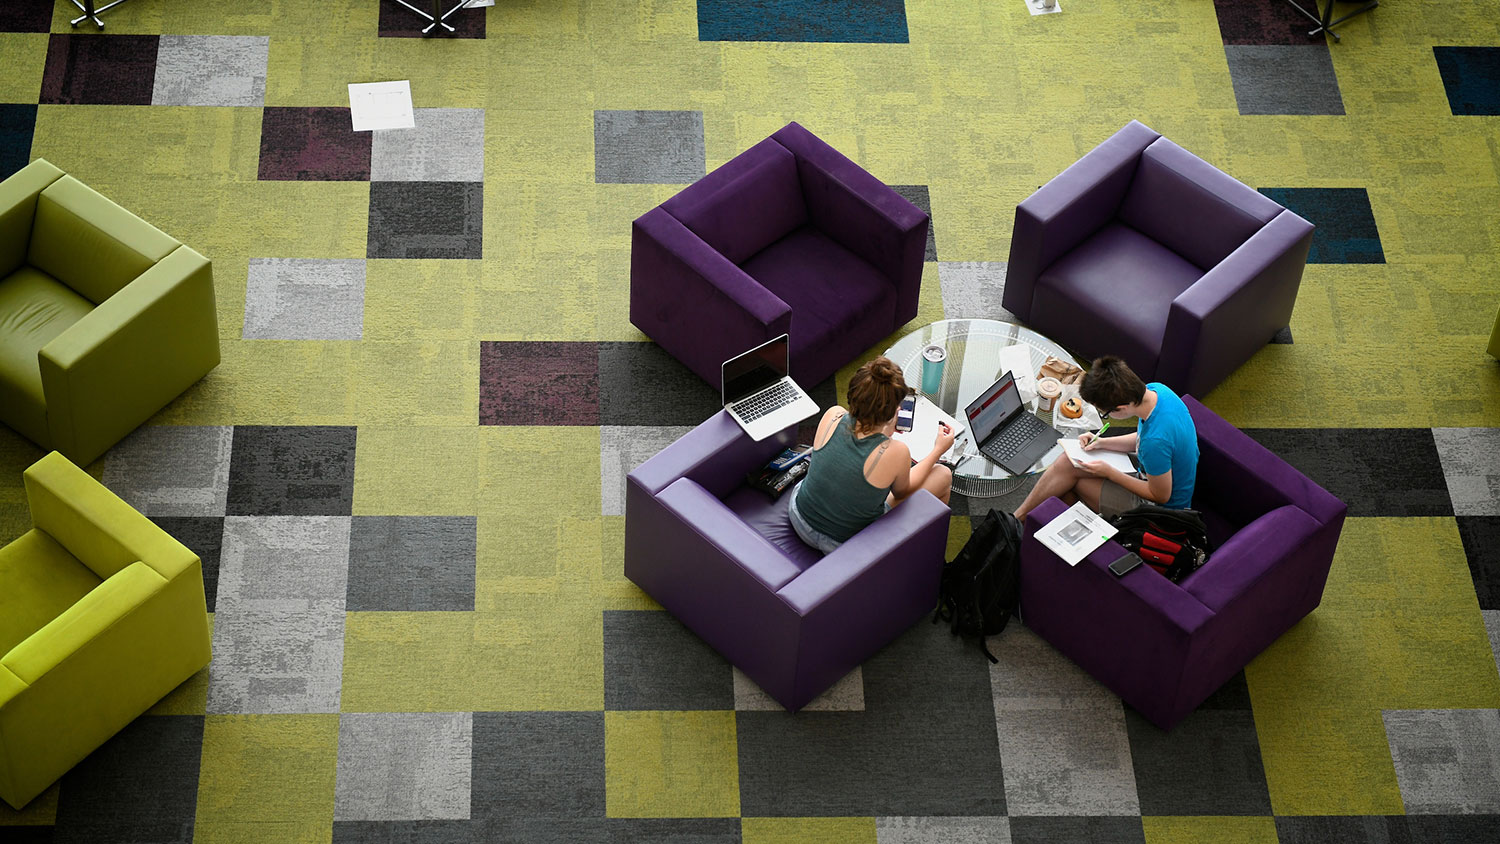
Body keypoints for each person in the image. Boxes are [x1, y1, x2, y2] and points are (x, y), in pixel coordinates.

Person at [788, 356, 955, 554]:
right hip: (841, 545)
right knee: (943, 476)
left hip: (799, 515)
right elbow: (902, 492)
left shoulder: (833, 415)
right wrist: (938, 450)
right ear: (893, 411)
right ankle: (924, 553)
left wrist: (884, 428)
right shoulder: (896, 452)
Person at [1013, 355, 1198, 523]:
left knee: (1073, 482)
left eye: (1105, 413)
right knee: (1068, 464)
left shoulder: (1156, 442)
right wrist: (1102, 442)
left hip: (1161, 511)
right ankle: (1019, 519)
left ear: (1121, 407)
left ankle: (1022, 525)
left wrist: (1109, 473)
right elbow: (1143, 438)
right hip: (1149, 471)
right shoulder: (1157, 391)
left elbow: (1160, 495)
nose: (1104, 416)